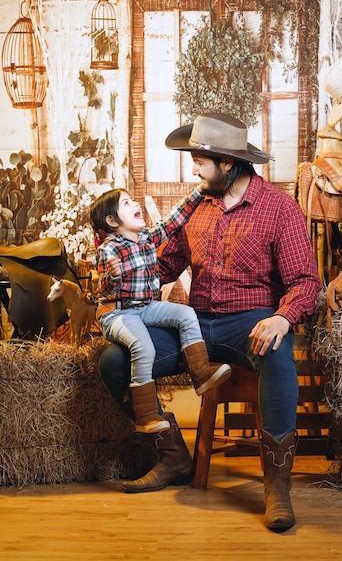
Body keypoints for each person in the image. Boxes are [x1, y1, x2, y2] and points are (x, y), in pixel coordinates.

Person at [99, 112, 322, 533]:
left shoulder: (278, 208)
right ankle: (174, 459)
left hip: (250, 321)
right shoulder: (196, 207)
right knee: (113, 361)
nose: (194, 167)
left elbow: (306, 281)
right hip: (195, 324)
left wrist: (281, 317)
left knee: (277, 353)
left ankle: (276, 486)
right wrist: (117, 266)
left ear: (228, 163)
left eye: (201, 159)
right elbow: (162, 267)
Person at [90, 186, 232, 434]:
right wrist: (112, 276)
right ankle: (145, 414)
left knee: (186, 315)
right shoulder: (109, 249)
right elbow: (103, 289)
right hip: (119, 312)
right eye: (126, 203)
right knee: (143, 347)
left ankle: (200, 374)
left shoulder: (146, 238)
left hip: (145, 307)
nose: (135, 204)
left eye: (133, 200)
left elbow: (173, 220)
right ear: (112, 220)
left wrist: (199, 192)